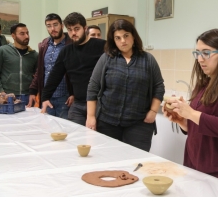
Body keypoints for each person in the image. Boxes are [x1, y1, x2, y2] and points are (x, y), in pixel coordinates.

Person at [163, 29, 218, 188]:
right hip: (197, 167)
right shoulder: (205, 84)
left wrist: (191, 113)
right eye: (197, 53)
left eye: (206, 53)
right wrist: (184, 121)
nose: (199, 59)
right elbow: (203, 127)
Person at [86, 19, 165, 152]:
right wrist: (91, 117)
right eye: (118, 38)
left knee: (135, 164)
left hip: (139, 124)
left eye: (126, 36)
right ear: (113, 41)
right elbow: (93, 87)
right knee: (107, 161)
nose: (123, 41)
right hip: (107, 123)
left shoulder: (148, 60)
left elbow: (159, 86)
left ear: (133, 36)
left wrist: (153, 111)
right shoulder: (106, 59)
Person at [41, 12, 106, 126]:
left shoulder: (101, 46)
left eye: (77, 29)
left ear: (85, 28)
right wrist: (45, 97)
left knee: (98, 140)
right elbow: (55, 75)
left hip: (100, 104)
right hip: (78, 104)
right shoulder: (66, 51)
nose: (73, 33)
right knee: (74, 136)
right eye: (70, 30)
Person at [27, 13, 74, 119]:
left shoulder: (71, 44)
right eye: (49, 26)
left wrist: (73, 93)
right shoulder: (44, 45)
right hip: (47, 97)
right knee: (48, 129)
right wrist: (33, 91)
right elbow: (40, 70)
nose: (53, 28)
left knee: (65, 130)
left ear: (62, 26)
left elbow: (76, 72)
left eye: (55, 24)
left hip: (65, 98)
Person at [0, 23, 38, 100]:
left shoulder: (34, 55)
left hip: (27, 96)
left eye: (27, 33)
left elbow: (37, 76)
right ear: (13, 36)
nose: (26, 36)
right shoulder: (2, 51)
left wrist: (33, 92)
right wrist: (1, 91)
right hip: (7, 95)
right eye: (22, 34)